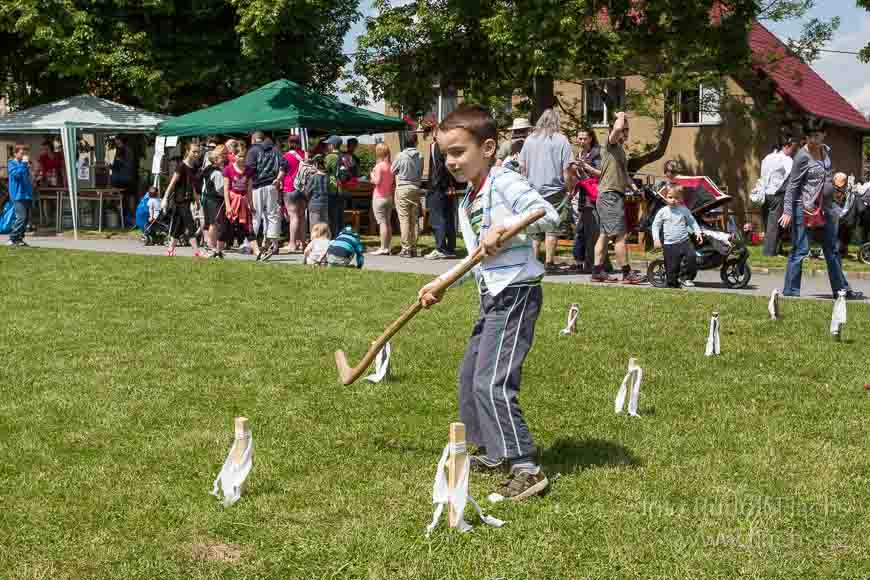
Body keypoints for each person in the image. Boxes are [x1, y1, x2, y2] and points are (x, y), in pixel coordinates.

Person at [419, 105, 560, 501]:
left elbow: (547, 214)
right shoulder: (469, 200)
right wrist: (442, 283)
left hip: (516, 292)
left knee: (493, 380)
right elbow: (475, 258)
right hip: (491, 294)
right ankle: (495, 452)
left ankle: (526, 466)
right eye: (446, 154)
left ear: (489, 148)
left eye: (459, 152)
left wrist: (508, 228)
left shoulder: (504, 181)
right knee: (470, 377)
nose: (451, 162)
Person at [779, 123, 863, 300]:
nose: (812, 140)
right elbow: (793, 184)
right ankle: (791, 292)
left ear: (824, 135)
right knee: (800, 250)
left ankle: (841, 291)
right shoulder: (802, 156)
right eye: (809, 136)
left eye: (816, 136)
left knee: (832, 250)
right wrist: (787, 211)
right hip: (806, 209)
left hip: (826, 209)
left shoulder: (826, 151)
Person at [519, 109, 575, 272]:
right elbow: (567, 169)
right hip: (555, 190)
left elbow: (522, 167)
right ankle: (549, 262)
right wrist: (569, 189)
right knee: (552, 228)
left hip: (533, 190)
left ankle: (535, 262)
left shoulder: (530, 140)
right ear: (556, 122)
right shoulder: (561, 140)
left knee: (535, 228)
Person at [592, 112, 644, 284]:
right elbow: (617, 127)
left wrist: (634, 187)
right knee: (620, 235)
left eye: (628, 129)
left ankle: (597, 271)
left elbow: (623, 174)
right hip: (610, 196)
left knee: (604, 235)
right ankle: (627, 273)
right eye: (624, 129)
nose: (626, 132)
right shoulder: (610, 144)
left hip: (611, 195)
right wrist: (621, 116)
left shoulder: (620, 151)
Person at [652, 185, 704, 288]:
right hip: (669, 244)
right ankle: (673, 284)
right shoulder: (663, 211)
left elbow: (692, 221)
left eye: (676, 198)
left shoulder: (683, 210)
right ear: (665, 198)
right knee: (672, 268)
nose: (673, 200)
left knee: (692, 257)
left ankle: (686, 278)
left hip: (684, 241)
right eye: (670, 197)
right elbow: (655, 225)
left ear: (681, 199)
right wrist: (656, 239)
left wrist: (698, 232)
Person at [246, 131, 287, 261]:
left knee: (255, 215)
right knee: (272, 215)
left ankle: (251, 245)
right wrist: (279, 179)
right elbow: (284, 165)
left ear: (254, 139)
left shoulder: (253, 150)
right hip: (272, 185)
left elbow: (249, 170)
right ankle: (273, 245)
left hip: (257, 186)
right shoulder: (276, 149)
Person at [162, 143, 203, 258]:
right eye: (194, 151)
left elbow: (193, 185)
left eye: (197, 152)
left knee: (178, 226)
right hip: (180, 200)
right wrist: (165, 198)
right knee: (190, 225)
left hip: (188, 199)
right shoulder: (181, 166)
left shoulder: (193, 167)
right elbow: (172, 183)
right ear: (187, 151)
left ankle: (170, 250)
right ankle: (197, 251)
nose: (196, 154)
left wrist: (197, 200)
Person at [425, 126, 460, 259]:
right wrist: (451, 185)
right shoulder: (448, 147)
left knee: (438, 218)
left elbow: (439, 168)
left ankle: (441, 248)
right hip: (448, 187)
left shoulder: (436, 146)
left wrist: (437, 186)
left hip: (439, 188)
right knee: (448, 217)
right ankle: (450, 248)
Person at [760, 136, 798, 256]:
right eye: (792, 148)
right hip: (778, 194)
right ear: (786, 146)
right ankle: (769, 252)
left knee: (769, 223)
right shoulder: (787, 160)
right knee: (775, 225)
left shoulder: (767, 157)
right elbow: (793, 177)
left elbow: (763, 174)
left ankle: (776, 248)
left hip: (766, 193)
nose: (793, 151)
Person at [573, 127, 603, 272]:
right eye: (580, 138)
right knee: (583, 231)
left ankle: (592, 265)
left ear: (591, 138)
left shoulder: (597, 153)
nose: (582, 141)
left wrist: (585, 166)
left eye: (585, 138)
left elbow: (600, 174)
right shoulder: (579, 153)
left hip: (594, 197)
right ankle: (587, 263)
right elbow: (580, 177)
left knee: (594, 232)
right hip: (583, 197)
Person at [222, 142, 258, 257]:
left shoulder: (249, 170)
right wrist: (228, 206)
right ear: (234, 155)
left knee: (248, 227)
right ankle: (217, 249)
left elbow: (249, 189)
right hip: (232, 202)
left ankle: (257, 251)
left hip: (243, 202)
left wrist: (251, 205)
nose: (242, 158)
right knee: (226, 227)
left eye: (244, 156)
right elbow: (226, 189)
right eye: (239, 156)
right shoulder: (228, 169)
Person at [391, 132, 424, 257]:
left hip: (403, 187)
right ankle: (414, 247)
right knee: (414, 219)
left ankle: (406, 248)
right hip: (415, 187)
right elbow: (420, 172)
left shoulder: (400, 155)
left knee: (404, 219)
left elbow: (392, 170)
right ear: (416, 142)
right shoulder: (420, 156)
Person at [282, 134, 307, 252]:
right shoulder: (305, 155)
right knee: (302, 216)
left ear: (289, 143)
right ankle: (303, 243)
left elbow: (282, 172)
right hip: (303, 189)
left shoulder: (286, 156)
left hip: (290, 187)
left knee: (293, 216)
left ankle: (292, 244)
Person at [369, 143, 395, 255]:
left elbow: (377, 181)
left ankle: (383, 248)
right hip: (389, 196)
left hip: (379, 197)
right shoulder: (390, 165)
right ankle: (387, 246)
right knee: (388, 222)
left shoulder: (379, 166)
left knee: (382, 223)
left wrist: (371, 176)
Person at [201, 145, 227, 257]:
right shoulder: (217, 172)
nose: (225, 158)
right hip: (214, 200)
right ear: (217, 158)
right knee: (214, 224)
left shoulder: (207, 169)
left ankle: (210, 246)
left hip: (207, 199)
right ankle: (211, 246)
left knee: (210, 224)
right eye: (223, 156)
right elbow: (220, 189)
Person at [6, 144, 34, 247]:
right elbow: (17, 175)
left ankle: (19, 239)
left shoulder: (24, 164)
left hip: (26, 195)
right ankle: (12, 238)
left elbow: (26, 179)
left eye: (25, 153)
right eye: (22, 153)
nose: (23, 155)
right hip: (17, 195)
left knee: (26, 219)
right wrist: (24, 164)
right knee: (21, 217)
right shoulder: (11, 163)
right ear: (15, 153)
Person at [323, 136, 346, 236]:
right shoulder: (344, 156)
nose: (327, 146)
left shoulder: (330, 157)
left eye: (328, 144)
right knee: (340, 214)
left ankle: (333, 236)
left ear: (332, 145)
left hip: (332, 188)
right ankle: (341, 235)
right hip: (342, 188)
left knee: (332, 215)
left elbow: (325, 169)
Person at [304, 155, 330, 229]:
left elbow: (307, 191)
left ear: (316, 164)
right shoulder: (327, 176)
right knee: (324, 224)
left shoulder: (313, 177)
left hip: (314, 204)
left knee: (315, 226)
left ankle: (315, 239)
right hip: (325, 204)